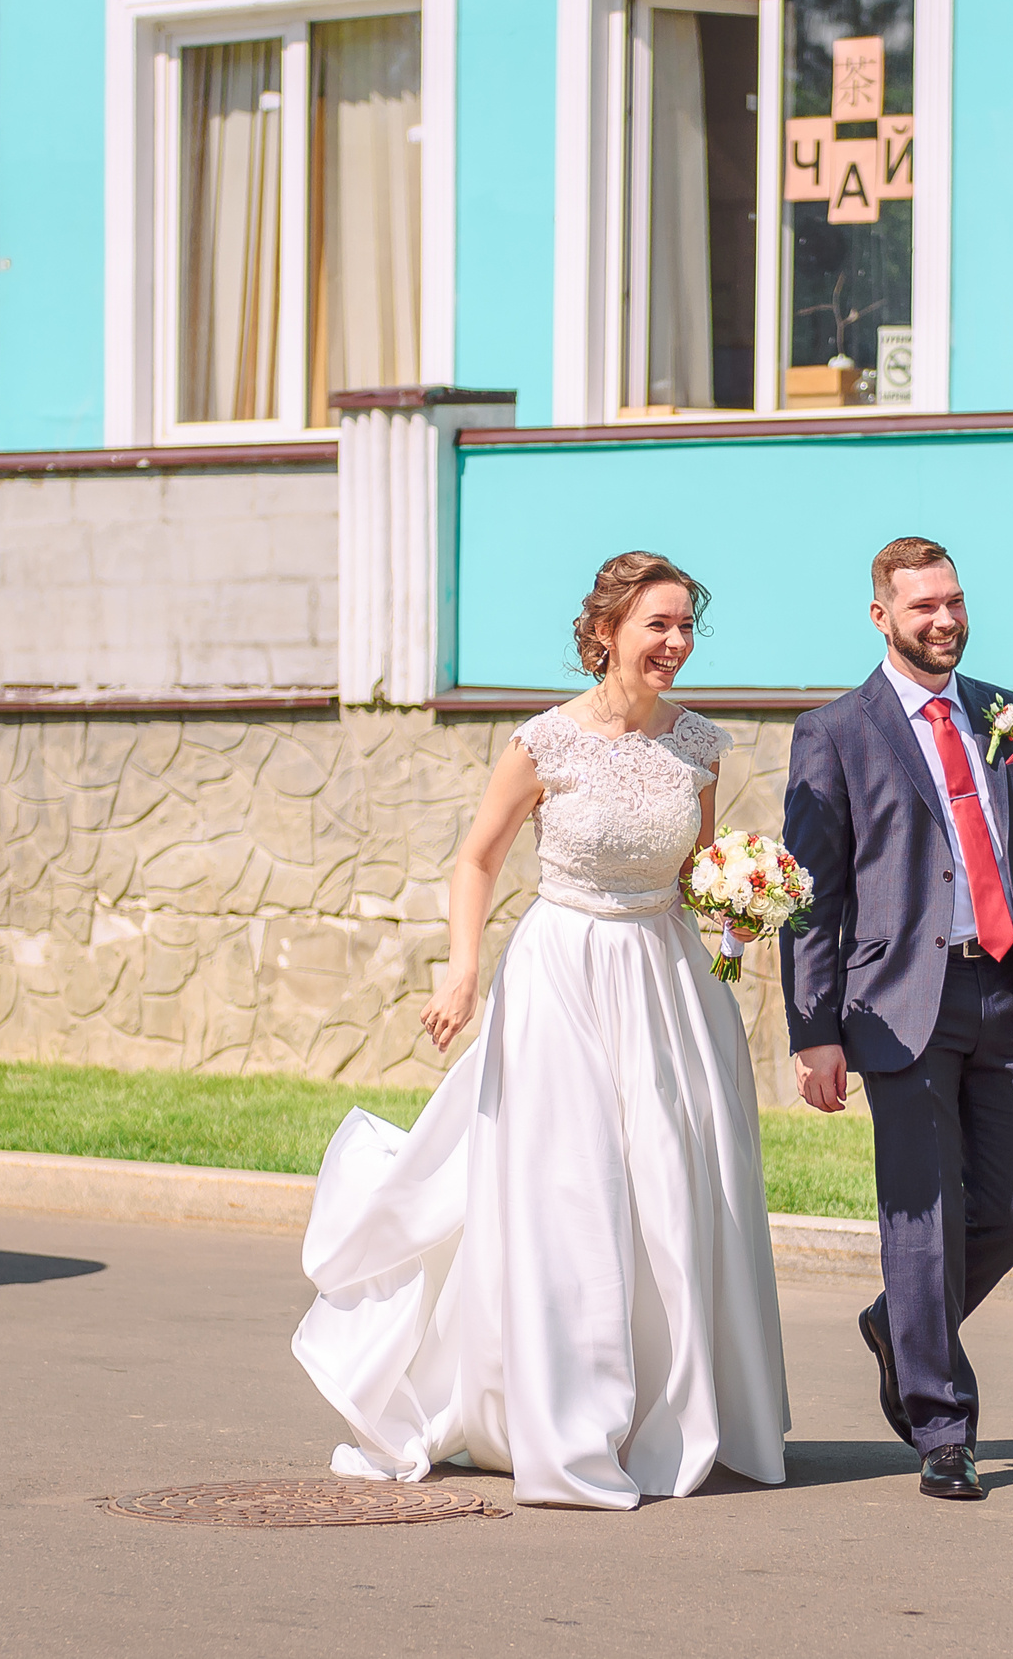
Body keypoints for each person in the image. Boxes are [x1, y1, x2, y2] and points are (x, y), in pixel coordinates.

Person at [292, 551, 789, 1510]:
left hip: (665, 979)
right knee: (574, 1190)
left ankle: (667, 1408)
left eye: (687, 626)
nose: (677, 644)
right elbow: (475, 860)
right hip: (562, 971)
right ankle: (562, 1422)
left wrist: (740, 902)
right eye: (659, 625)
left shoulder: (699, 747)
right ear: (606, 631)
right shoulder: (543, 743)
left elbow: (697, 871)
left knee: (673, 1193)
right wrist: (464, 969)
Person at [779, 536, 1013, 1502]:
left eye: (954, 601)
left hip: (1011, 986)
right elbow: (813, 892)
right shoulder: (836, 732)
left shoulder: (1006, 714)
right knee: (921, 1213)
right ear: (881, 616)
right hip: (896, 1006)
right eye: (923, 606)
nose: (945, 620)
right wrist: (814, 1027)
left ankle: (900, 1321)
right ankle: (943, 1425)